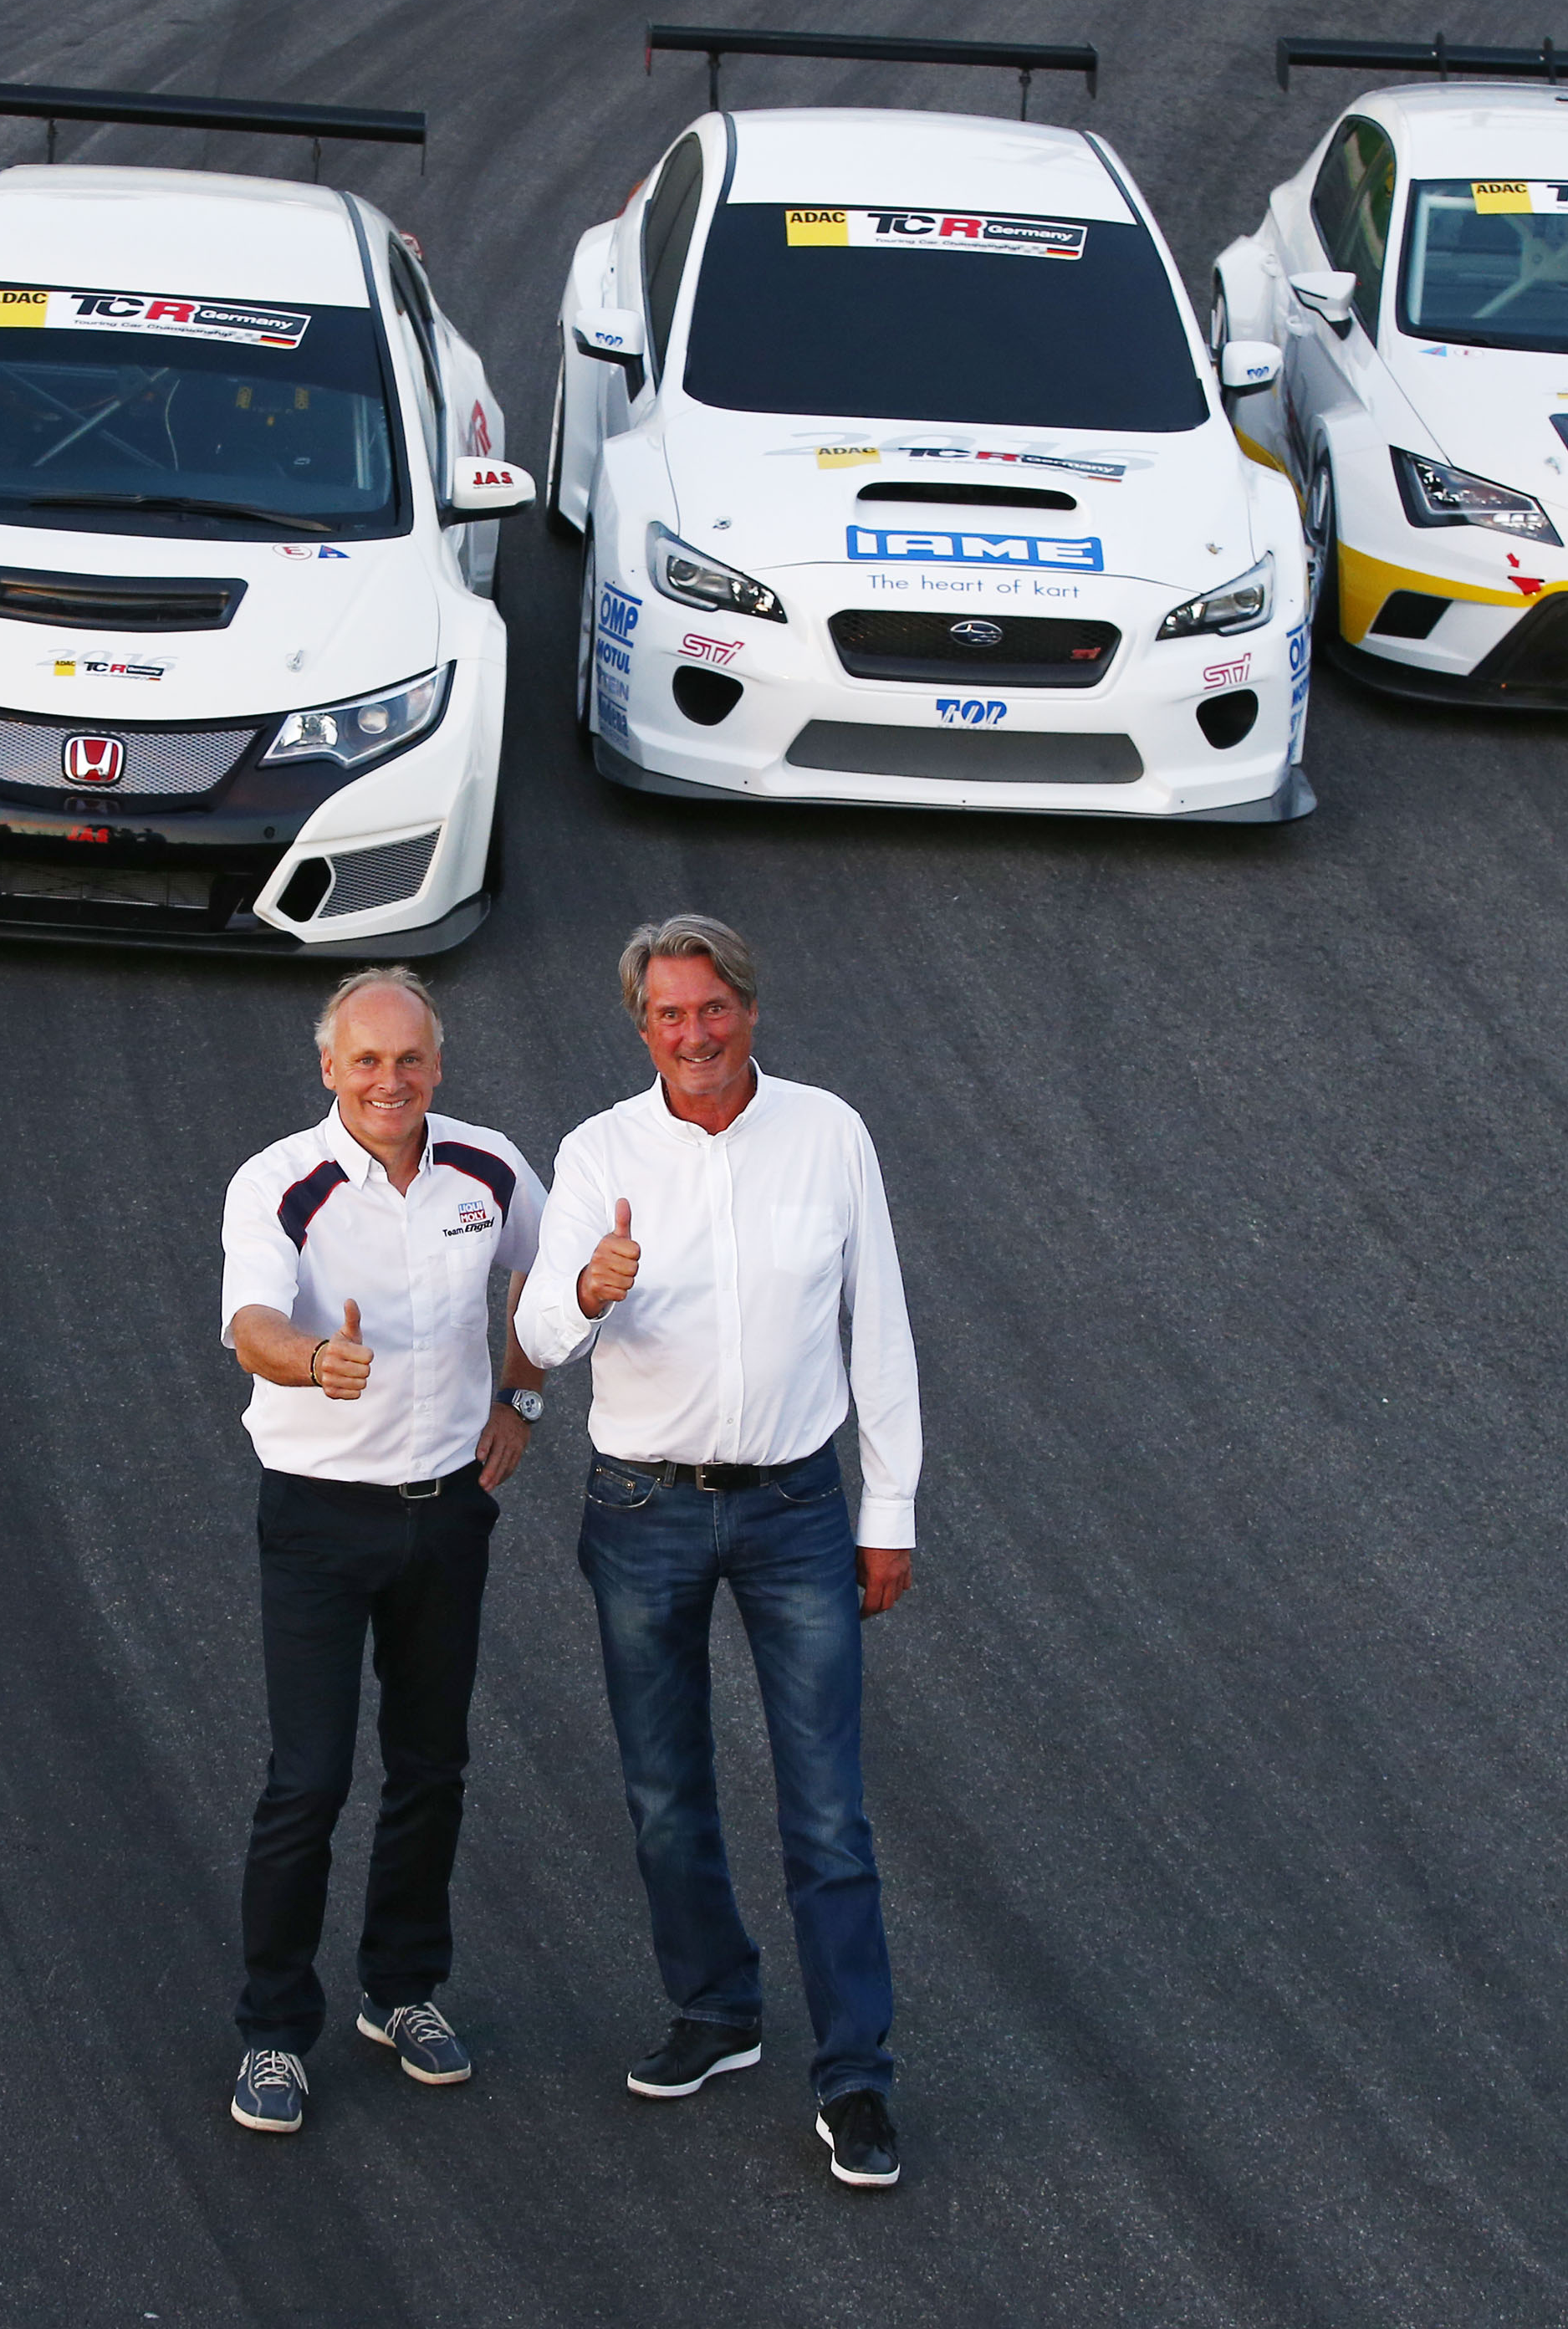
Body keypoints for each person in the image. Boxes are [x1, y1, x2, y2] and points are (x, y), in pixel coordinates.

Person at [516, 914, 921, 2191]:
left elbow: (878, 1323)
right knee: (664, 1789)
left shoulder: (828, 1133)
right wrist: (590, 1288)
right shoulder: (599, 1153)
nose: (693, 1034)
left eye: (711, 1008)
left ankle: (854, 2077)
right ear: (640, 1027)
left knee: (828, 1810)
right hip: (644, 1508)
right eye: (668, 1015)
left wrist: (889, 1508)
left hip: (798, 1508)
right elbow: (541, 1333)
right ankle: (716, 2008)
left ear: (748, 1008)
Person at [214, 966, 549, 2134]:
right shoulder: (277, 1182)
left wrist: (522, 1398)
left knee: (431, 1764)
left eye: (409, 1059)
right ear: (329, 1069)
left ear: (438, 1066)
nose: (389, 1081)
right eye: (366, 1061)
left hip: (447, 1511)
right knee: (309, 1778)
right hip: (318, 1518)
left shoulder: (488, 1167)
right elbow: (250, 1324)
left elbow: (550, 1277)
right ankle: (272, 2032)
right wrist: (314, 1361)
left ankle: (402, 1992)